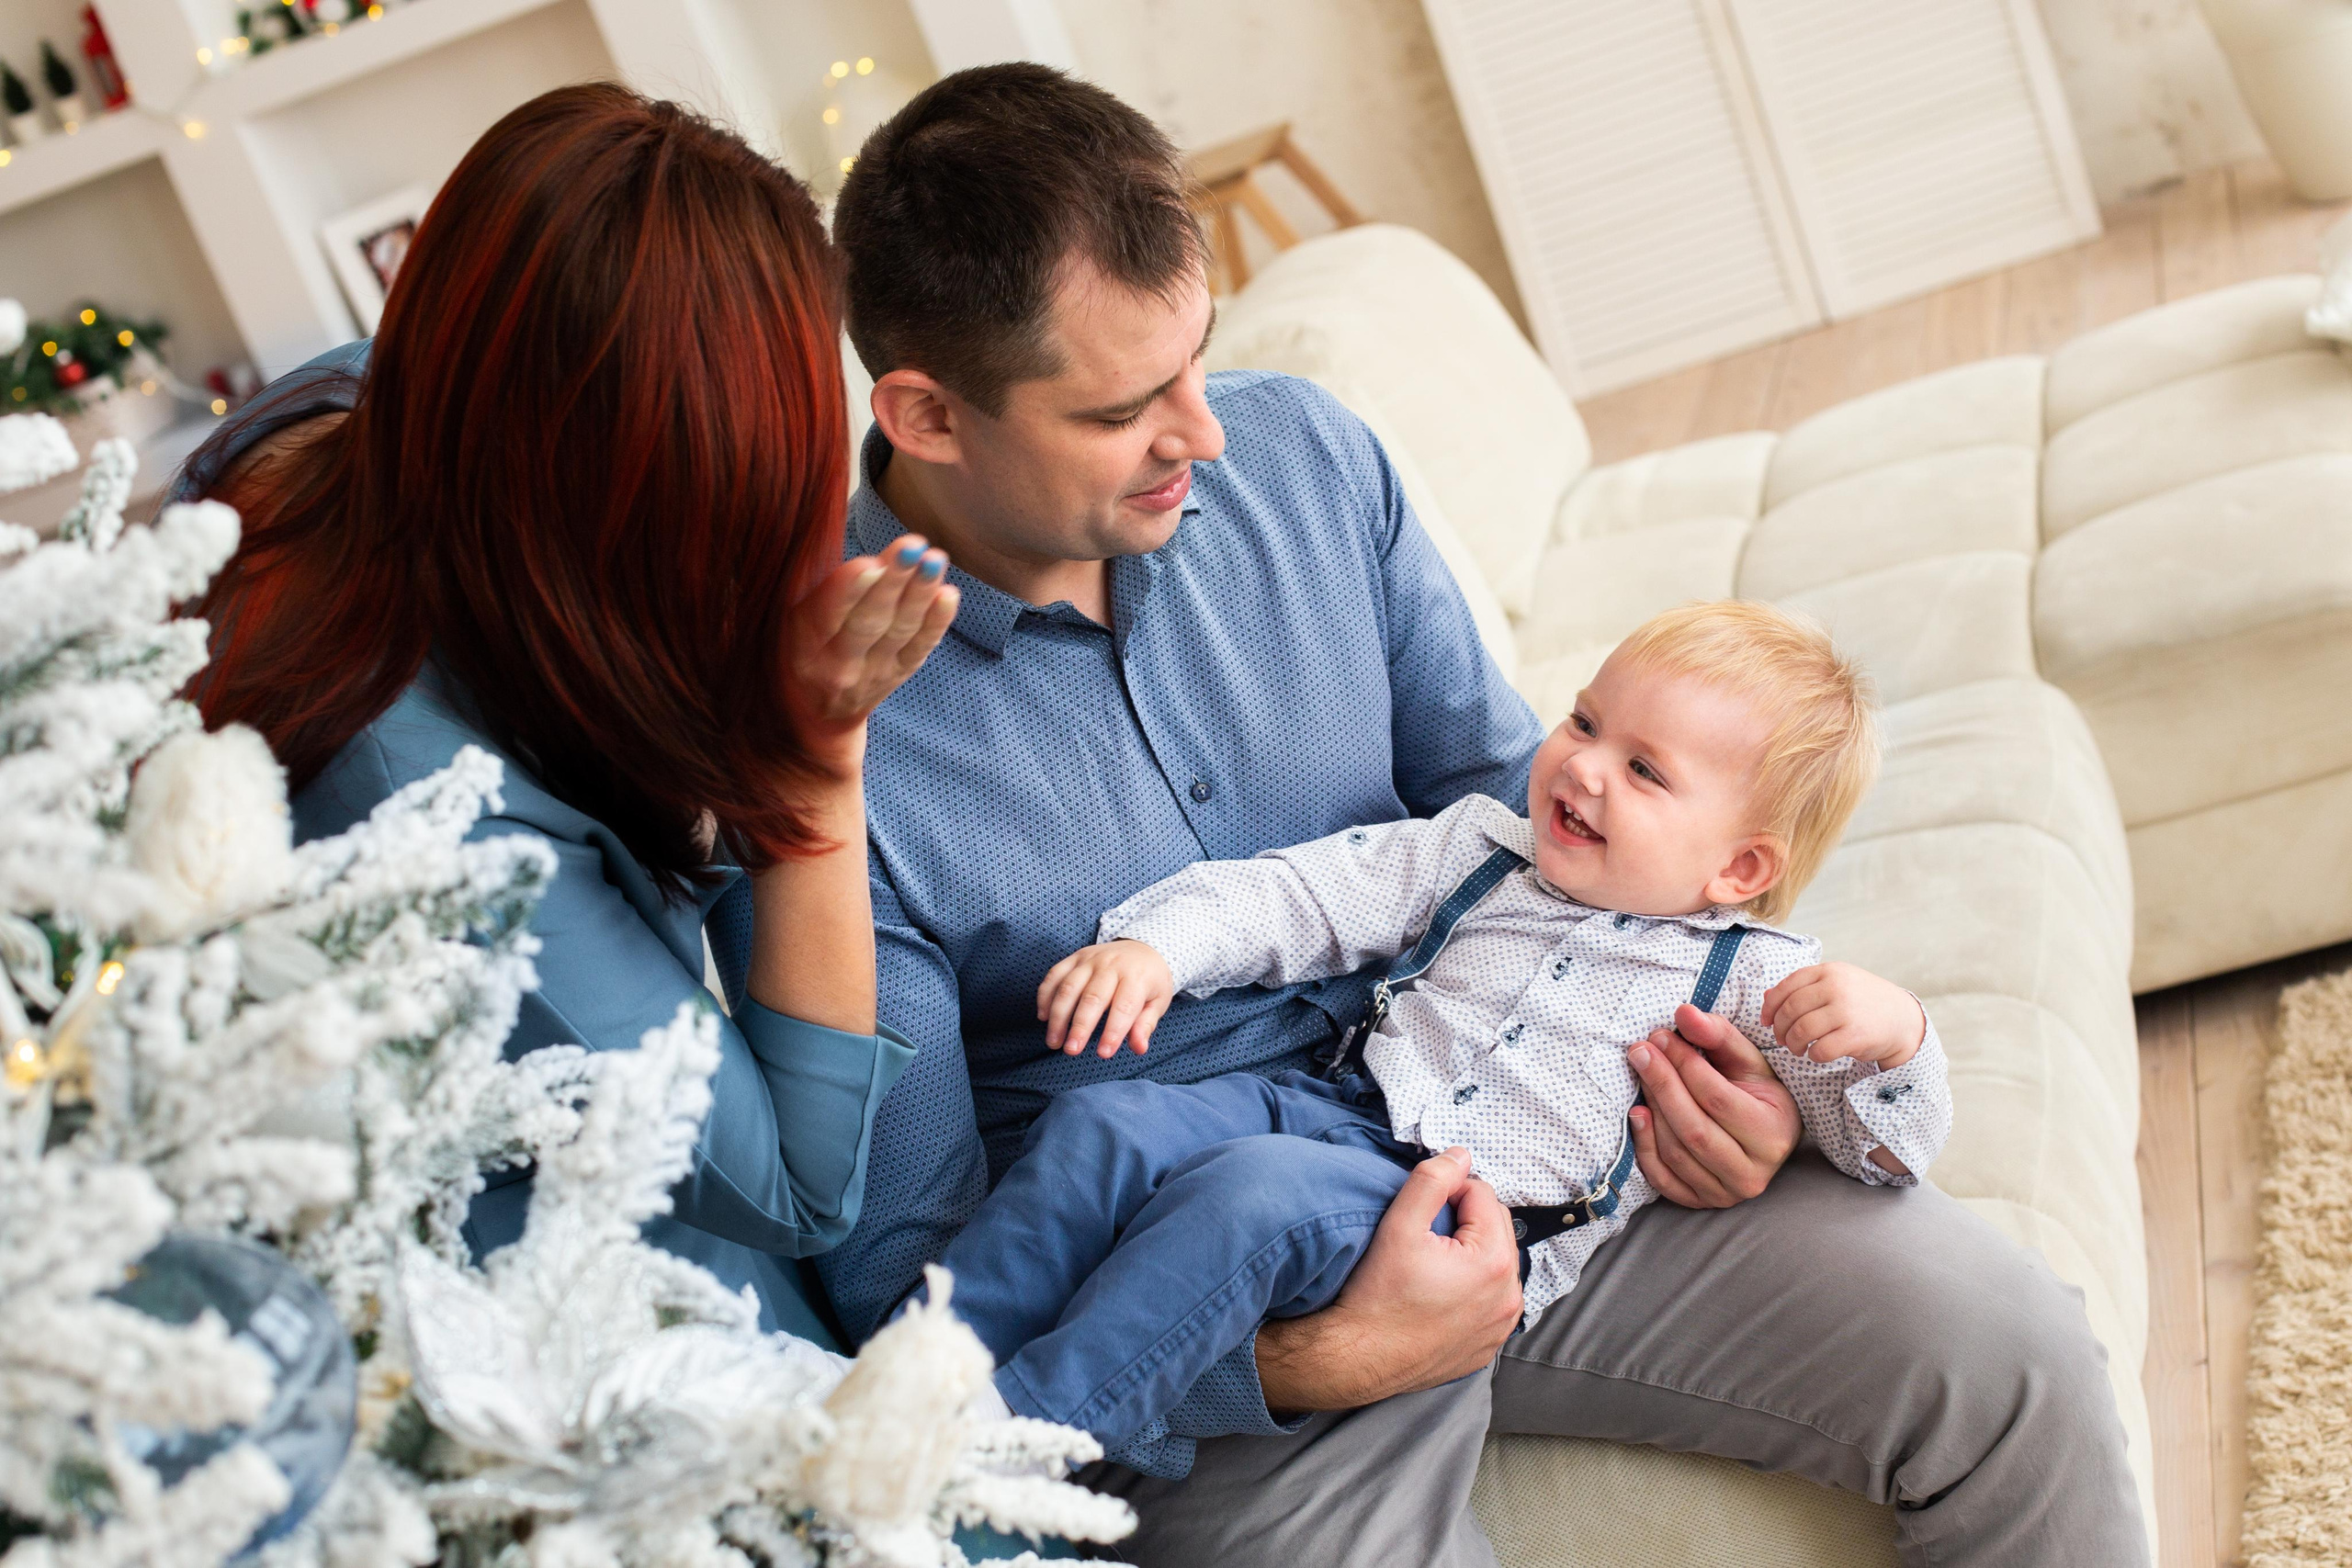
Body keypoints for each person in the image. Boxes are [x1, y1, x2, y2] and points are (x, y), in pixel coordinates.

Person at [822, 62, 2145, 1567]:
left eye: (1201, 358)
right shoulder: (837, 741)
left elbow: (1521, 814)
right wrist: (1307, 1361)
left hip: (1536, 1162)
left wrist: (1731, 1105)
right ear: (925, 412)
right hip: (1209, 1279)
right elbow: (904, 1270)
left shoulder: (1309, 463)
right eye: (1128, 407)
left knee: (2016, 1356)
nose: (1211, 433)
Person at [175, 83, 956, 1344]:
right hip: (558, 1317)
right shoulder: (425, 798)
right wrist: (812, 776)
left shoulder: (367, 406)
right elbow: (800, 1185)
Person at [937, 602, 1956, 1475]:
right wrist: (1159, 949)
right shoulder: (1477, 851)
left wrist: (1899, 1041)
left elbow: (1885, 1149)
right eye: (1584, 721)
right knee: (1105, 1125)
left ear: (1738, 870)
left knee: (1248, 1202)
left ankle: (1005, 1449)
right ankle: (916, 1373)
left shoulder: (1755, 977)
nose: (1581, 766)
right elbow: (1306, 893)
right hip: (1332, 1106)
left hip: (1452, 1216)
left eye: (1643, 770)